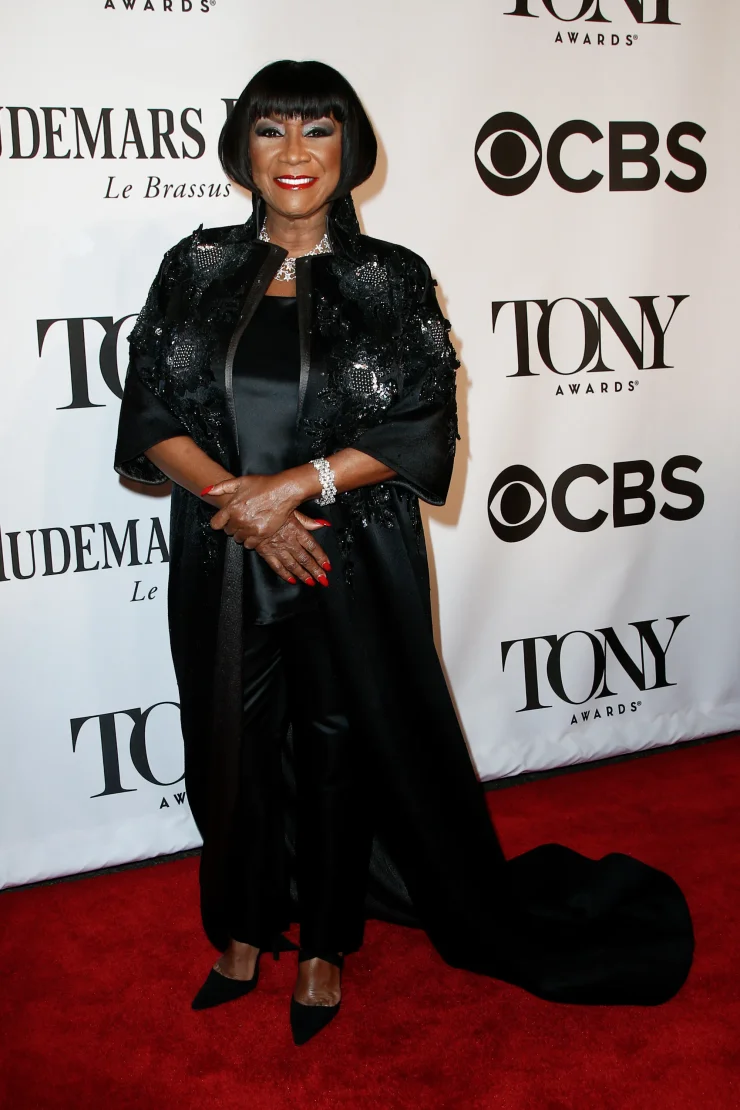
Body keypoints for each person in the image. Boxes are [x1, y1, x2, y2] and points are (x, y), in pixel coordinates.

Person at [114, 59, 693, 1046]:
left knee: (340, 744)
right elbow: (153, 411)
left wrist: (291, 493)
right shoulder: (195, 264)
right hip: (221, 553)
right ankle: (242, 929)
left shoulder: (390, 277)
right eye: (271, 131)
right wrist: (237, 505)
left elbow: (418, 423)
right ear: (242, 148)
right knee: (226, 750)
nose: (294, 155)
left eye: (318, 131)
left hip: (346, 551)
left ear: (350, 149)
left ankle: (326, 944)